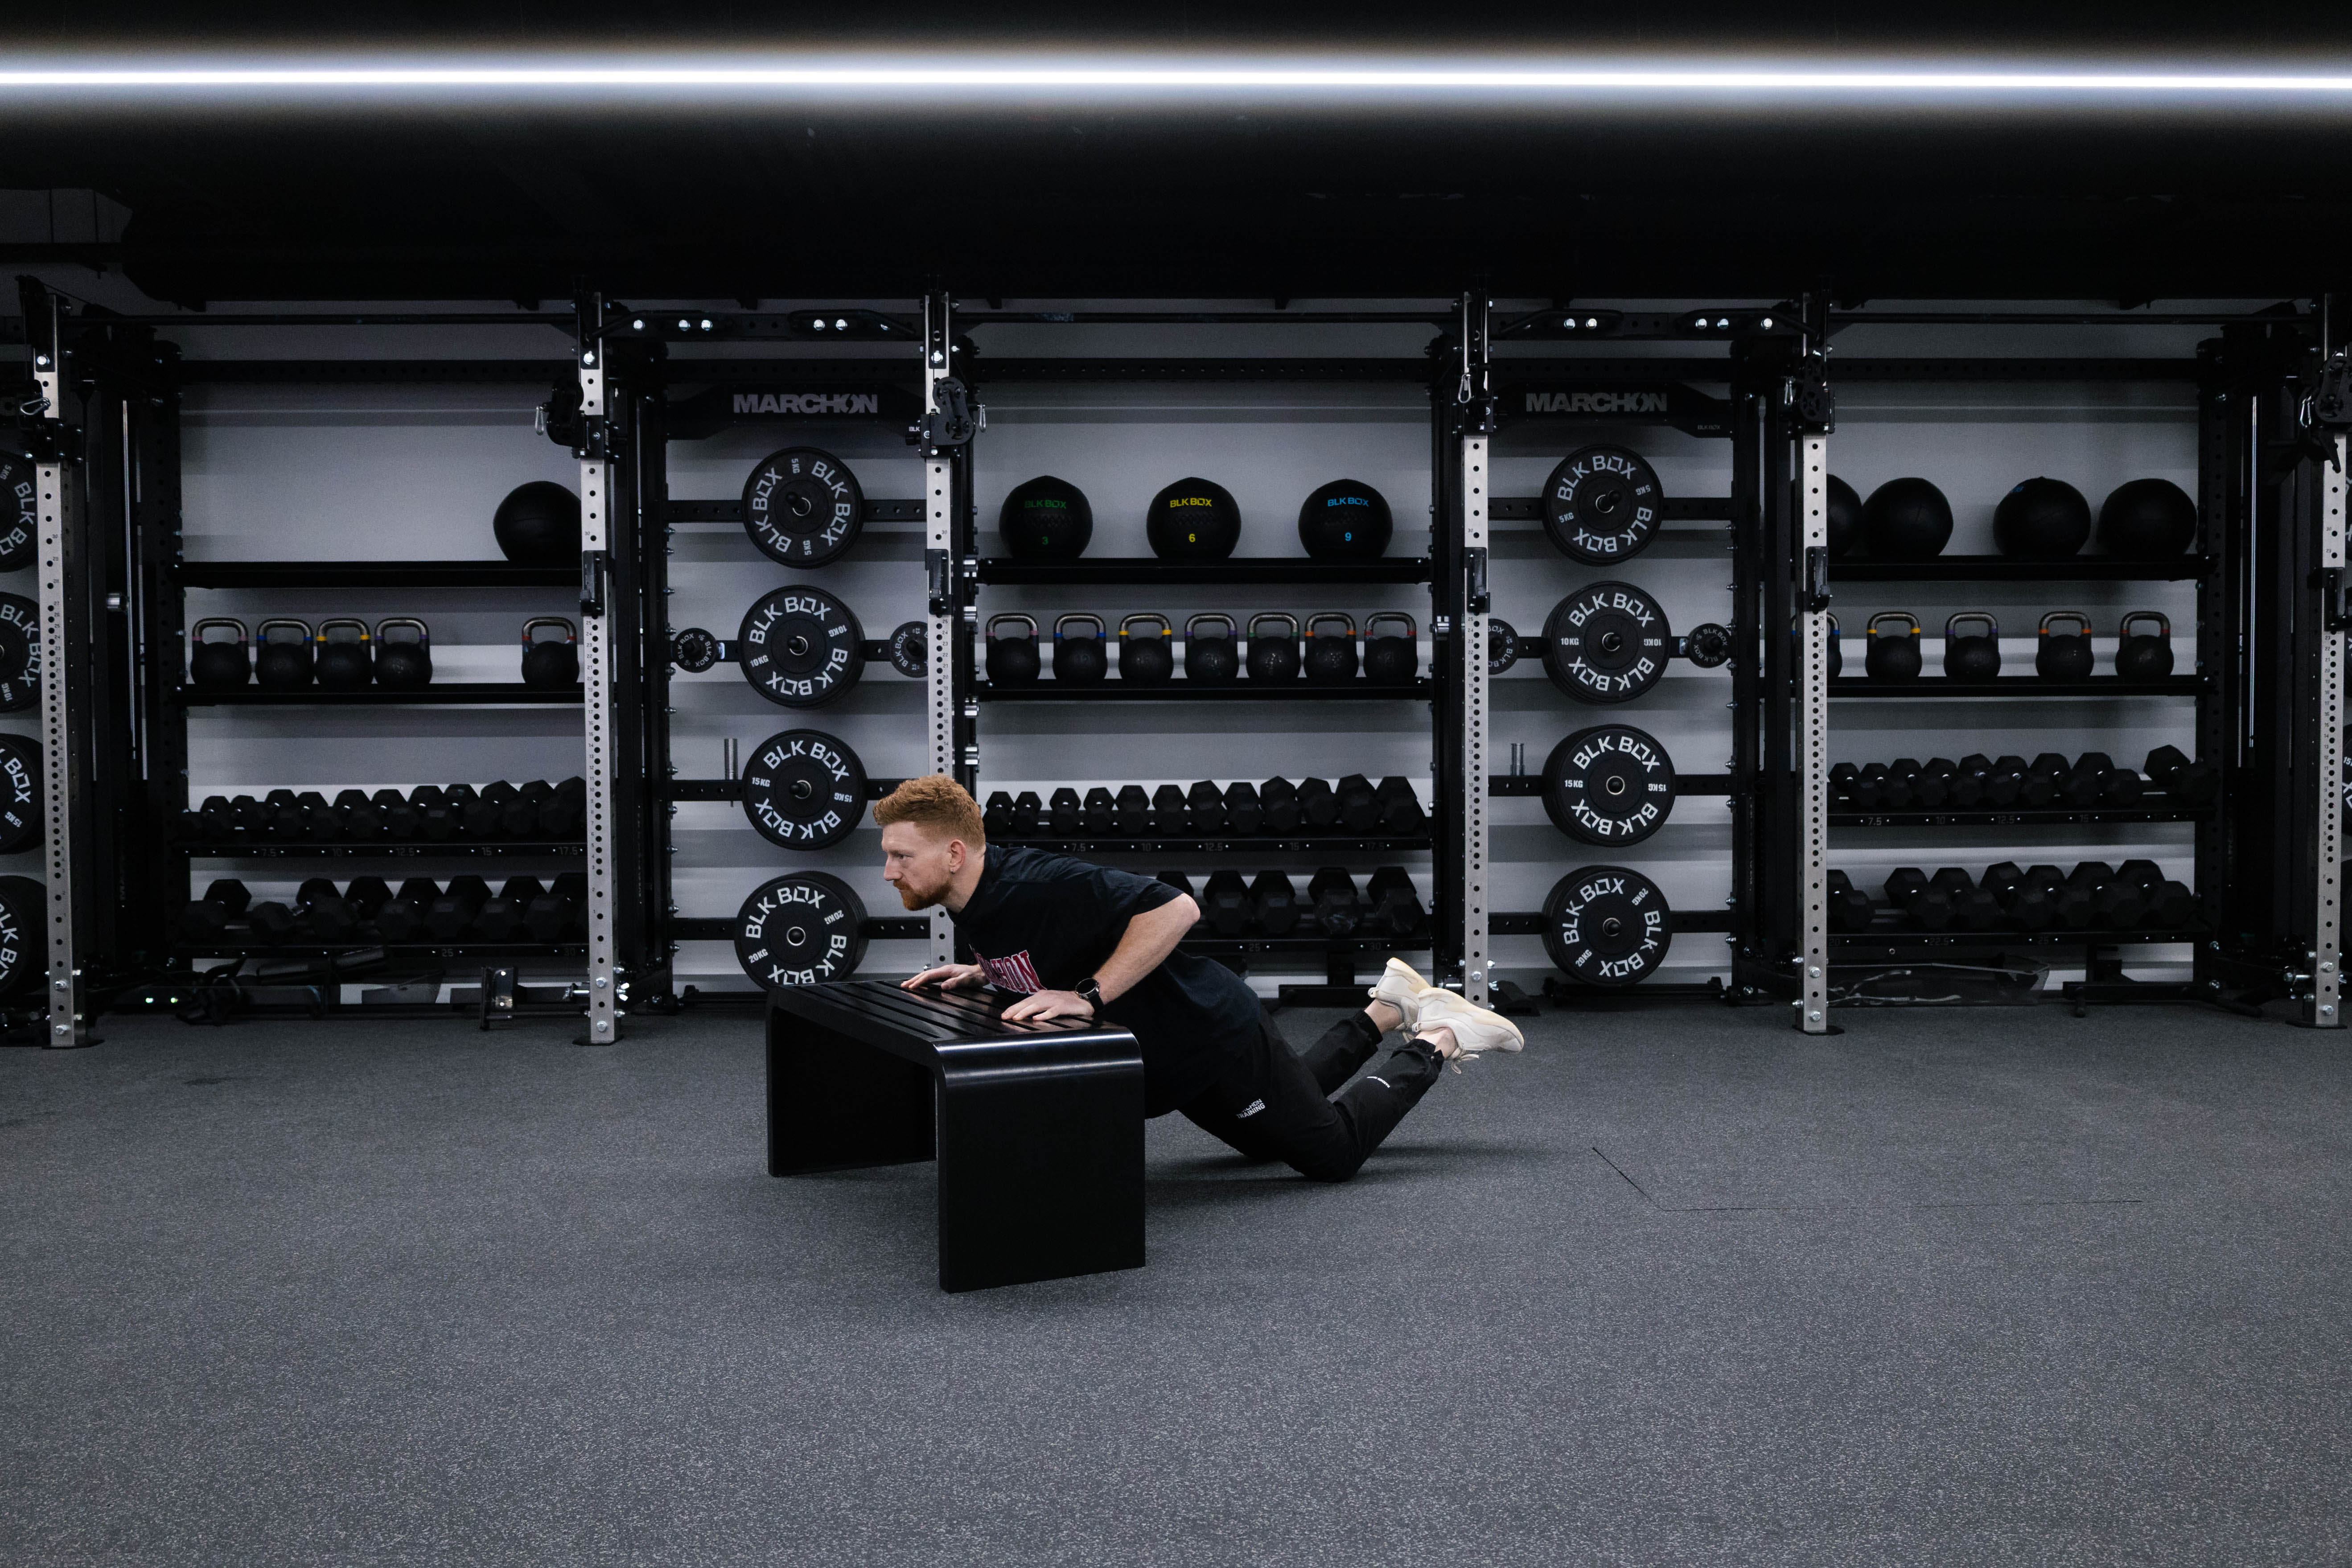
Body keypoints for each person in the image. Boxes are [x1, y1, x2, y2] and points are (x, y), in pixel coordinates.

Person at [875, 774, 1522, 1182]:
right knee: (1274, 1133)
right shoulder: (976, 898)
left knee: (1329, 1152)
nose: (889, 872)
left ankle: (1438, 1034)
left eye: (902, 856)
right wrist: (987, 970)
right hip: (1177, 1056)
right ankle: (1386, 1008)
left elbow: (1176, 908)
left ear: (954, 853)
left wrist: (1088, 995)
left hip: (1211, 1034)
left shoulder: (1041, 883)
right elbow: (1050, 947)